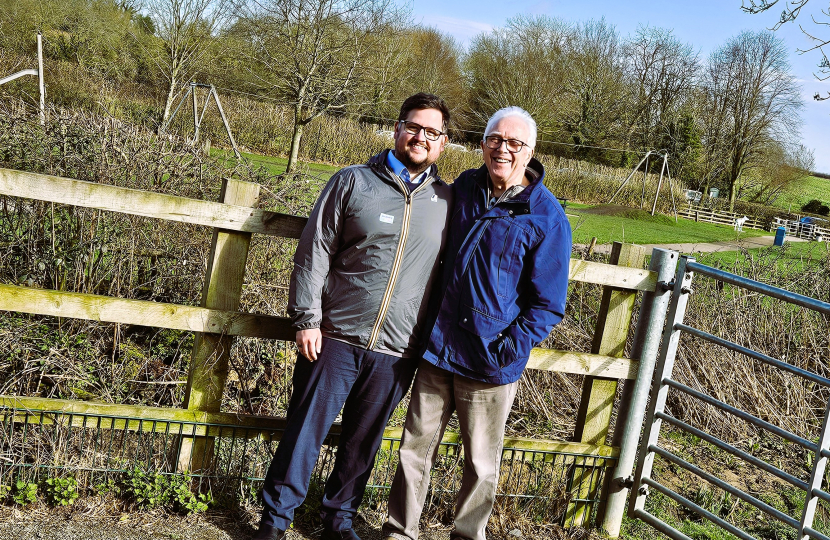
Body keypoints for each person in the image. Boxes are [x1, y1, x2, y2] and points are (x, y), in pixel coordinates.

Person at [254, 93, 453, 540]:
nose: (421, 137)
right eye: (413, 127)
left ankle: (338, 520)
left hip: (398, 349)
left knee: (363, 443)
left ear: (443, 143)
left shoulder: (448, 202)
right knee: (304, 433)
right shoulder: (352, 182)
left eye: (432, 132)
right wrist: (306, 318)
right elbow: (314, 252)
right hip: (334, 338)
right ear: (397, 129)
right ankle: (275, 520)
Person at [382, 106, 572, 540]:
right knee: (414, 450)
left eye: (513, 143)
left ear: (531, 151)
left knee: (481, 464)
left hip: (489, 364)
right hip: (439, 348)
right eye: (494, 139)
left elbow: (548, 305)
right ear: (483, 144)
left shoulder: (546, 218)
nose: (502, 149)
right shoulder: (466, 186)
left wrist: (505, 349)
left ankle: (467, 535)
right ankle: (399, 532)